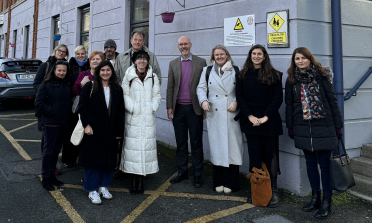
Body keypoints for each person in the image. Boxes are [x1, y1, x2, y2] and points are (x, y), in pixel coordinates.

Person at [285, 47, 343, 219]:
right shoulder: (291, 80)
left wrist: (338, 126)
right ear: (294, 61)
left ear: (310, 59)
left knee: (324, 165)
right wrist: (291, 126)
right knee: (310, 163)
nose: (300, 61)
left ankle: (327, 201)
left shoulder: (322, 76)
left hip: (324, 126)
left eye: (303, 58)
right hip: (303, 127)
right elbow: (289, 105)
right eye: (297, 58)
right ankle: (315, 197)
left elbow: (332, 101)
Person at [235, 44, 283, 207]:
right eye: (253, 54)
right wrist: (250, 116)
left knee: (270, 156)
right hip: (250, 121)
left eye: (259, 54)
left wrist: (264, 117)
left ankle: (273, 190)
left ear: (264, 56)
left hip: (269, 121)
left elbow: (277, 99)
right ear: (250, 56)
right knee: (255, 156)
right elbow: (239, 97)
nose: (256, 56)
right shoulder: (242, 75)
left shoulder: (275, 75)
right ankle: (258, 189)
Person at [196, 45, 243, 193]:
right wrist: (203, 101)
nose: (219, 57)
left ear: (227, 55)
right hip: (214, 112)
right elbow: (201, 88)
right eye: (216, 55)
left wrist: (236, 101)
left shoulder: (235, 70)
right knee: (217, 147)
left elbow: (242, 90)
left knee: (232, 147)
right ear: (213, 57)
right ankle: (219, 180)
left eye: (222, 54)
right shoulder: (207, 71)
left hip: (231, 112)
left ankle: (231, 182)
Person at [78, 60, 125, 204]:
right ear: (98, 72)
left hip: (110, 130)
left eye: (108, 70)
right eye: (102, 70)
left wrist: (119, 130)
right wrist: (86, 125)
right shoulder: (90, 87)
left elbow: (120, 112)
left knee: (109, 160)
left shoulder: (117, 89)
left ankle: (104, 186)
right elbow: (82, 107)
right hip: (93, 130)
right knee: (93, 161)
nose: (105, 73)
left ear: (112, 72)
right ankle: (92, 190)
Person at [166, 36, 207, 188]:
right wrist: (169, 107)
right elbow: (170, 87)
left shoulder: (201, 62)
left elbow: (205, 86)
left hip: (194, 108)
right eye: (181, 44)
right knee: (181, 142)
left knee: (196, 142)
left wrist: (204, 106)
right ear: (178, 47)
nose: (184, 46)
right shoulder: (173, 64)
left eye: (186, 44)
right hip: (178, 109)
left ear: (191, 45)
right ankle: (182, 171)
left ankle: (198, 174)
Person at [119, 50, 161, 195]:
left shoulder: (153, 77)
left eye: (144, 58)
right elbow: (124, 94)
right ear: (134, 61)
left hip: (148, 117)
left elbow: (157, 95)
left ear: (148, 61)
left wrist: (152, 107)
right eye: (139, 58)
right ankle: (133, 180)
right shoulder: (128, 76)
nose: (142, 61)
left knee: (145, 147)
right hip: (133, 117)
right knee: (132, 149)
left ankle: (141, 180)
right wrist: (132, 107)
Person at [34, 60, 71, 191]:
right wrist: (54, 111)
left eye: (64, 71)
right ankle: (45, 178)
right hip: (50, 123)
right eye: (59, 70)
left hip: (62, 123)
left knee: (56, 151)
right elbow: (39, 104)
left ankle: (52, 175)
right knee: (48, 151)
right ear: (54, 71)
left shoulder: (67, 84)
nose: (61, 73)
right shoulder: (46, 84)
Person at [62, 46, 90, 167]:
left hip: (87, 102)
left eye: (82, 53)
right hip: (72, 102)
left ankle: (81, 157)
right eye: (78, 53)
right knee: (71, 131)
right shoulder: (70, 66)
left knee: (82, 130)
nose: (80, 56)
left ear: (86, 54)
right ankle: (68, 159)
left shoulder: (89, 65)